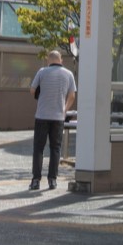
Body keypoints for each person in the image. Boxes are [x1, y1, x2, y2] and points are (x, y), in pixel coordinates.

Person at [28, 49, 76, 191]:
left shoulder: (42, 72)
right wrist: (64, 109)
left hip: (42, 115)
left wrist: (41, 93)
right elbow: (72, 96)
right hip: (58, 117)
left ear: (48, 60)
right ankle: (52, 180)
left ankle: (36, 180)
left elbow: (32, 90)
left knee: (38, 148)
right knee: (55, 148)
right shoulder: (68, 74)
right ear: (61, 60)